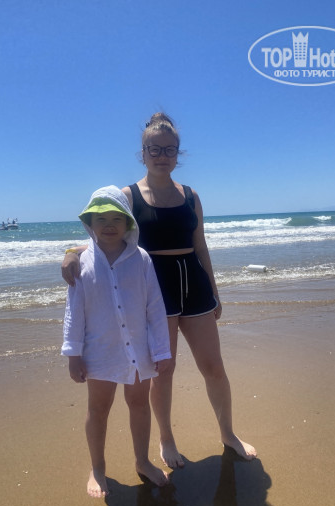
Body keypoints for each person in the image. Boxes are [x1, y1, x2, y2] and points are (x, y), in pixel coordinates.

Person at [62, 113, 257, 467]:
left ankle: (228, 433)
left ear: (178, 153)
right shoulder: (128, 195)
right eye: (155, 149)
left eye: (170, 149)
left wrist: (214, 291)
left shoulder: (191, 196)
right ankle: (166, 440)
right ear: (143, 153)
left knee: (213, 366)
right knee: (163, 369)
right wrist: (70, 252)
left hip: (194, 284)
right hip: (152, 288)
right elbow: (103, 234)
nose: (162, 156)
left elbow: (200, 245)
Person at [61, 185, 171, 498]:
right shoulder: (81, 263)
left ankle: (142, 461)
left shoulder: (141, 259)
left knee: (139, 404)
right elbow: (74, 312)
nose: (109, 225)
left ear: (128, 223)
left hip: (138, 349)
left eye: (116, 218)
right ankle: (97, 468)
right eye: (101, 219)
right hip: (99, 352)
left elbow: (155, 307)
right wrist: (73, 354)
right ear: (90, 223)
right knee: (98, 409)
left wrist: (161, 350)